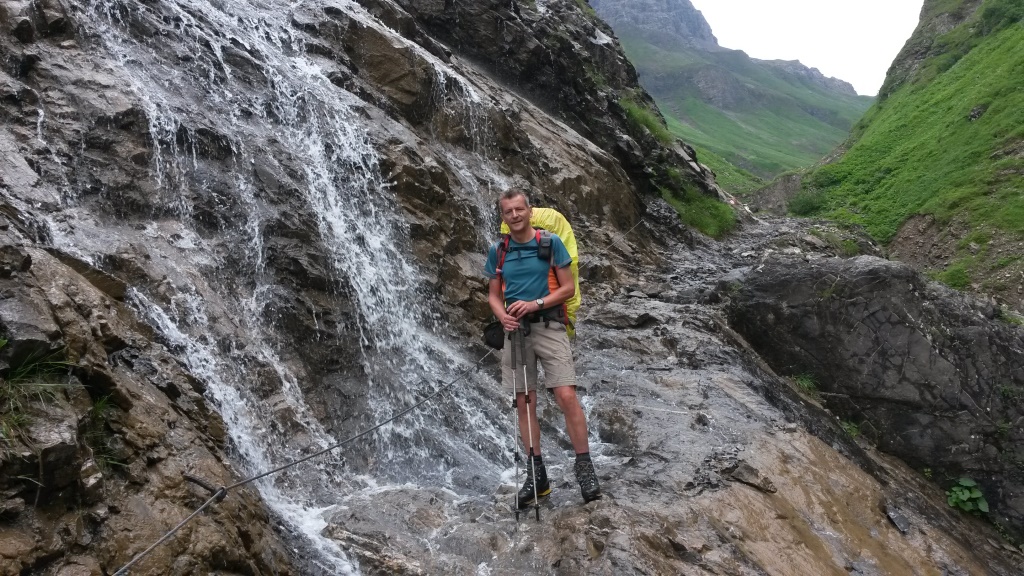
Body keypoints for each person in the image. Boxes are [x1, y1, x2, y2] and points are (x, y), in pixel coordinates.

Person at [483, 189, 601, 508]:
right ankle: (538, 476)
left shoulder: (550, 243)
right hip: (516, 332)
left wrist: (535, 303)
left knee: (566, 395)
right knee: (525, 402)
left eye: (519, 209)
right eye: (508, 211)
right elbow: (493, 295)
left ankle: (585, 468)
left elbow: (567, 288)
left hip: (549, 326)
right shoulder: (498, 251)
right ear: (503, 216)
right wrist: (502, 316)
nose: (515, 215)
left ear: (529, 210)